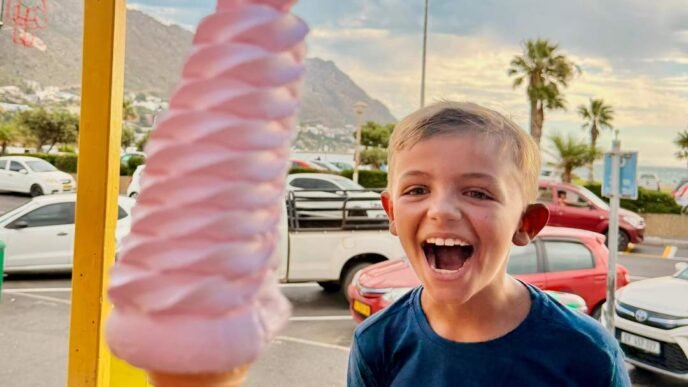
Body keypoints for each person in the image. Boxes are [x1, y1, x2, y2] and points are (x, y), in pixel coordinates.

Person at [347, 101, 630, 387]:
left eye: (478, 193)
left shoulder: (589, 354)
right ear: (392, 212)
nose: (441, 210)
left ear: (525, 223)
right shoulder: (376, 345)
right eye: (417, 190)